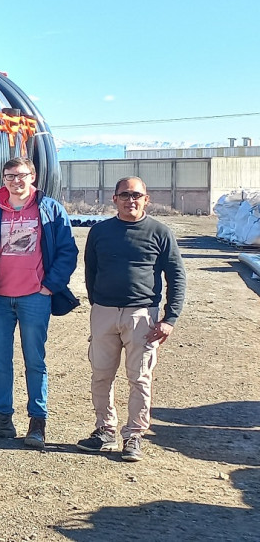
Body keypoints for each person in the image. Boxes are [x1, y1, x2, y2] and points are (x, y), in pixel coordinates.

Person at [0, 156, 78, 448]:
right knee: (0, 360)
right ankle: (2, 420)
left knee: (35, 360)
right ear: (2, 180)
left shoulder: (49, 209)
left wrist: (50, 286)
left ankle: (37, 422)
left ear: (33, 176)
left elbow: (68, 250)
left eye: (21, 175)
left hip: (34, 297)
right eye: (10, 176)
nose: (16, 181)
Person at [77, 177, 186, 462]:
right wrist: (98, 304)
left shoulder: (160, 232)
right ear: (114, 199)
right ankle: (105, 429)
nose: (130, 200)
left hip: (142, 317)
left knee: (139, 377)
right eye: (124, 195)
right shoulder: (99, 232)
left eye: (136, 195)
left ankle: (134, 434)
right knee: (101, 375)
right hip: (104, 312)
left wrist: (169, 318)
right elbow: (91, 270)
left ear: (146, 199)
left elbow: (176, 277)